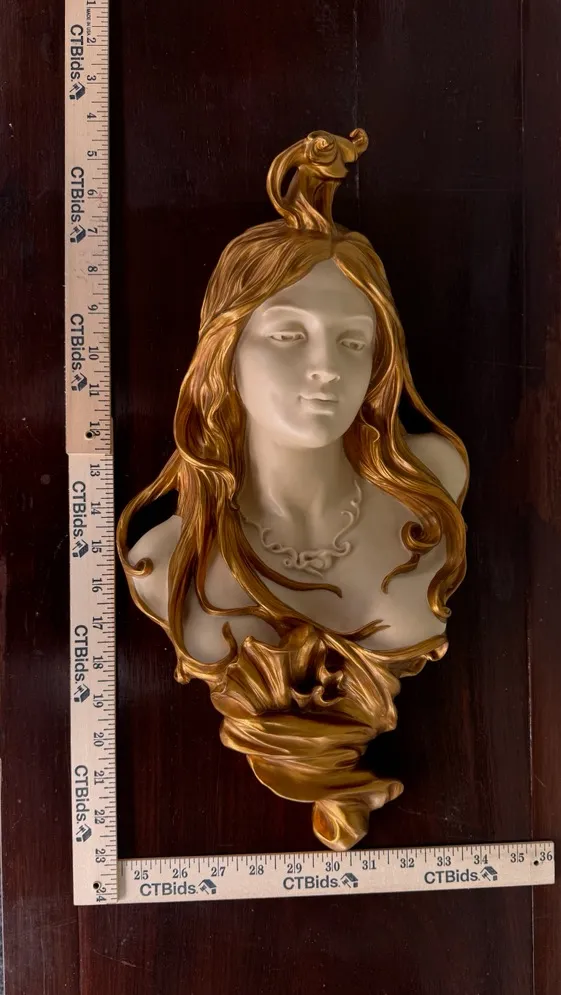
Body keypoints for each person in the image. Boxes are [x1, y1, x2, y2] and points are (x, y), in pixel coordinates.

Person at [117, 129, 469, 850]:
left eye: (351, 341)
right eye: (287, 335)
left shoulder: (434, 485)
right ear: (225, 355)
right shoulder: (172, 560)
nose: (326, 367)